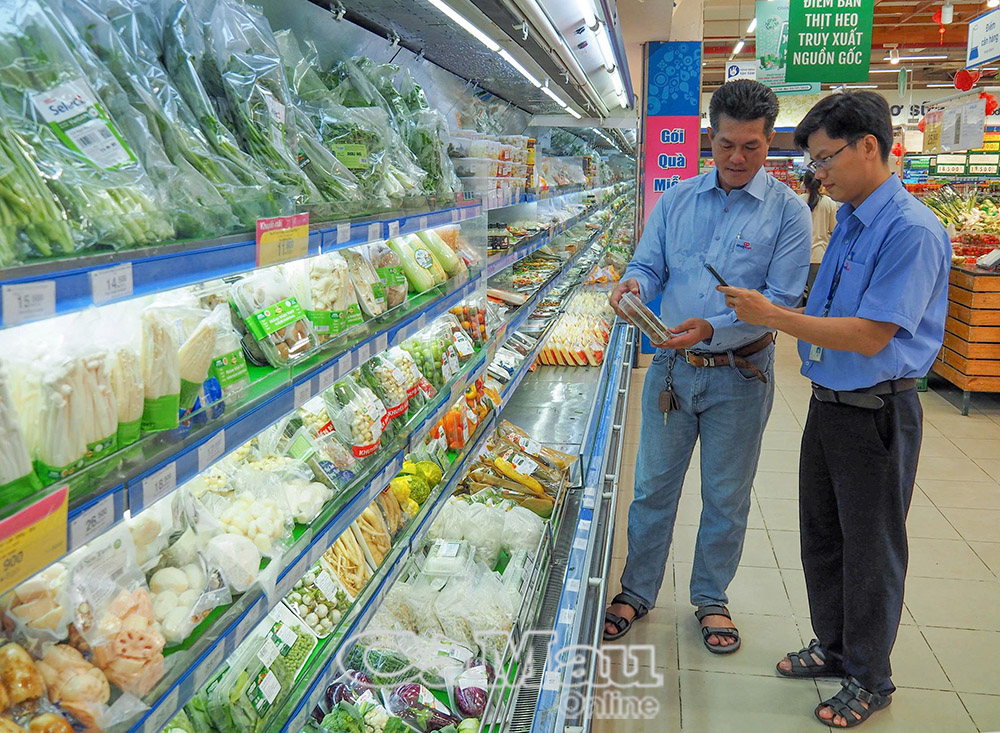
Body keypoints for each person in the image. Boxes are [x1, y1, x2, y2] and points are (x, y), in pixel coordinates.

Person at [719, 91, 950, 728]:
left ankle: (870, 678)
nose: (818, 173)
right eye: (813, 163)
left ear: (869, 146)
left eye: (825, 159)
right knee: (822, 535)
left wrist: (773, 316)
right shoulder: (849, 220)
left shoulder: (909, 231)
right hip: (830, 404)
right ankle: (836, 645)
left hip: (877, 412)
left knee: (871, 550)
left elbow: (871, 334)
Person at [604, 80, 810, 652]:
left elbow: (782, 301)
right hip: (672, 371)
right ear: (709, 139)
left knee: (726, 495)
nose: (737, 158)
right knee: (652, 488)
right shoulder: (676, 200)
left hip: (742, 376)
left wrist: (713, 329)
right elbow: (649, 265)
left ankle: (711, 598)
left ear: (769, 141)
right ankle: (636, 590)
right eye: (725, 144)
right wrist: (634, 285)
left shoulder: (788, 214)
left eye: (751, 146)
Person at [800, 170, 839, 299]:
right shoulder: (829, 203)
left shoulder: (797, 201)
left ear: (804, 183)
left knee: (795, 297)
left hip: (798, 256)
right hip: (820, 256)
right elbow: (834, 230)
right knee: (815, 297)